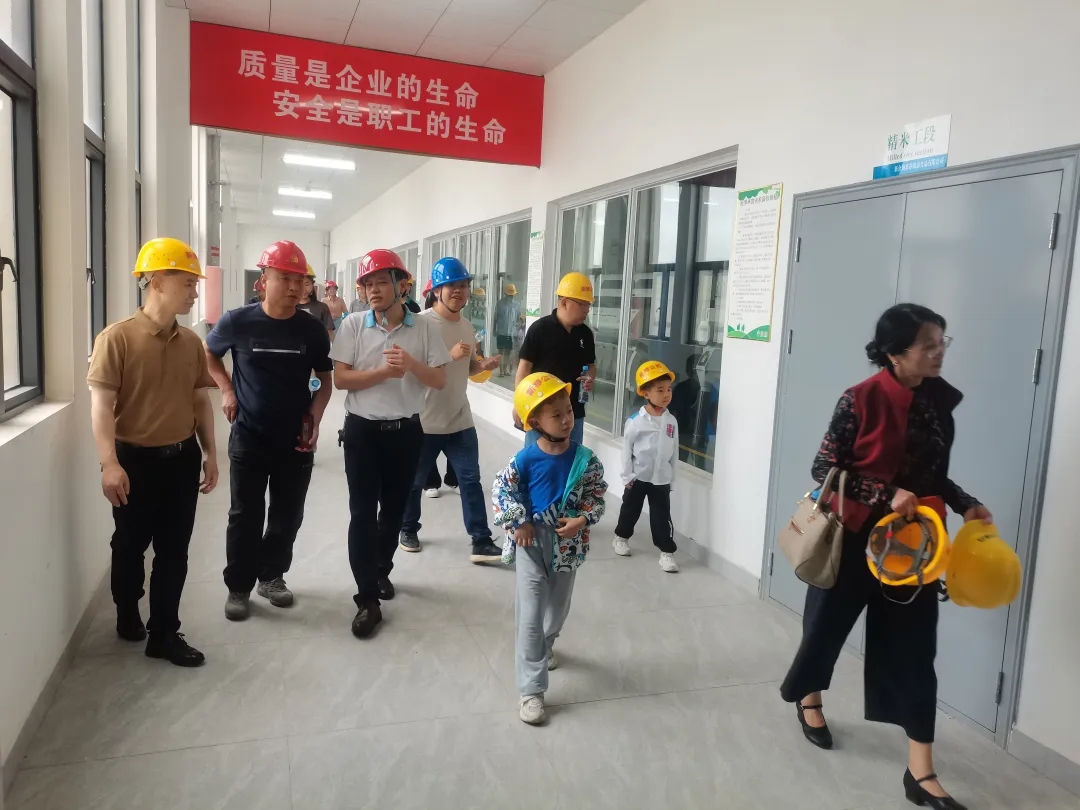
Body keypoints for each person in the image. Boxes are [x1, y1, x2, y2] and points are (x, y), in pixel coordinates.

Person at [780, 303, 992, 810]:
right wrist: (885, 492)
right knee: (824, 631)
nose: (939, 353)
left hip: (913, 547)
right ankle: (809, 697)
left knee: (915, 652)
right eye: (928, 345)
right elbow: (824, 468)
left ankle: (921, 772)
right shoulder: (859, 399)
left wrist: (965, 503)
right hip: (853, 537)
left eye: (942, 342)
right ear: (895, 353)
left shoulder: (936, 400)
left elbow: (931, 474)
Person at [87, 237, 219, 667]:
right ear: (157, 281)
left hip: (181, 460)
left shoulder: (191, 343)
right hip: (134, 463)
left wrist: (210, 453)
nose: (195, 292)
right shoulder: (117, 339)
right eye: (188, 283)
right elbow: (101, 407)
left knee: (174, 551)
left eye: (195, 284)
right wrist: (109, 463)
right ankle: (127, 609)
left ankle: (164, 633)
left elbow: (200, 399)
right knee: (129, 546)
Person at [204, 240, 333, 621]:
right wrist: (227, 390)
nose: (294, 287)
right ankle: (239, 586)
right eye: (284, 278)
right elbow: (208, 354)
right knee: (244, 514)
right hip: (249, 436)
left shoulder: (311, 330)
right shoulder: (237, 321)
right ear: (264, 280)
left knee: (287, 514)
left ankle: (271, 576)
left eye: (300, 280)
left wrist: (315, 418)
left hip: (295, 440)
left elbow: (325, 380)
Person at [330, 249, 450, 639]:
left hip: (406, 433)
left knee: (395, 511)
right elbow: (341, 379)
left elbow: (439, 380)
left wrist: (411, 365)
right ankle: (367, 598)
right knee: (362, 512)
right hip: (362, 432)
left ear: (402, 286)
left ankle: (381, 570)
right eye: (367, 284)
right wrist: (384, 372)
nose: (373, 290)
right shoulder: (352, 324)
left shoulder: (424, 327)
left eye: (382, 282)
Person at [492, 372, 608, 725]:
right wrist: (519, 523)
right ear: (535, 422)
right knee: (530, 616)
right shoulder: (525, 459)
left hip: (568, 546)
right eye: (556, 414)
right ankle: (531, 690)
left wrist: (582, 520)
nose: (566, 419)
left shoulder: (586, 460)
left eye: (568, 410)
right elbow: (501, 491)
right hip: (531, 544)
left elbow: (596, 497)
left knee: (556, 610)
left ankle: (547, 643)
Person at [399, 257, 503, 561]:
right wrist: (449, 354)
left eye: (463, 286)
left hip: (459, 418)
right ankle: (408, 529)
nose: (458, 291)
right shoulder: (419, 323)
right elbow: (412, 368)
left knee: (470, 481)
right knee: (415, 483)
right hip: (424, 421)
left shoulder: (467, 326)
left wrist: (483, 365)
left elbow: (467, 368)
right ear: (436, 290)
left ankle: (481, 540)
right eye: (451, 286)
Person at [515, 272, 596, 446]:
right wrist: (519, 404)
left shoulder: (586, 334)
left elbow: (590, 365)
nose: (587, 310)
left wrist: (590, 378)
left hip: (574, 412)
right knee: (537, 458)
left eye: (588, 305)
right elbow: (524, 367)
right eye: (582, 304)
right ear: (564, 302)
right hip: (541, 412)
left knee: (571, 458)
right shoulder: (540, 329)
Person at [613, 361, 680, 573]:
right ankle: (621, 537)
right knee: (630, 509)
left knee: (661, 516)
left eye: (669, 389)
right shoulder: (636, 422)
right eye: (660, 390)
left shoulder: (671, 421)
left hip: (661, 479)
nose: (666, 394)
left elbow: (674, 451)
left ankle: (666, 552)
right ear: (645, 393)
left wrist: (672, 479)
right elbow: (626, 450)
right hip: (638, 477)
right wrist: (627, 476)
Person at [298, 264, 335, 341]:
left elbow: (329, 333)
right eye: (299, 284)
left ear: (312, 285)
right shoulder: (287, 308)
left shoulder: (322, 307)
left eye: (307, 284)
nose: (304, 289)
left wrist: (333, 347)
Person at [494, 283, 522, 377]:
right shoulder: (500, 304)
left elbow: (518, 319)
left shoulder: (517, 305)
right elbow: (495, 318)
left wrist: (518, 329)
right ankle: (501, 371)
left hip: (512, 333)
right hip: (501, 332)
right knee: (501, 352)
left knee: (508, 353)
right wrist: (494, 330)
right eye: (509, 294)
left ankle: (506, 370)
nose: (510, 296)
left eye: (512, 295)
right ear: (505, 294)